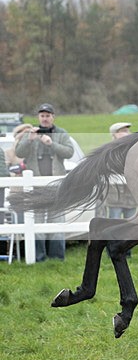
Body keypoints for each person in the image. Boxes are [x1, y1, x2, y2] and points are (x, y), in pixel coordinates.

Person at [14, 103, 74, 261]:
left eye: (48, 116)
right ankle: (39, 258)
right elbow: (19, 152)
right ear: (38, 117)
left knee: (57, 222)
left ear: (53, 117)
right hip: (35, 185)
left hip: (56, 185)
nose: (45, 118)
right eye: (42, 116)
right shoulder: (30, 132)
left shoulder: (61, 133)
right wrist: (29, 140)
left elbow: (69, 152)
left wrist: (51, 144)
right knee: (37, 223)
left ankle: (56, 259)